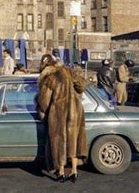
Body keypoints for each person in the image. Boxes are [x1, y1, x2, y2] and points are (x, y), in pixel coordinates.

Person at [37, 54, 87, 183]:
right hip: (75, 110)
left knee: (59, 140)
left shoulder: (49, 77)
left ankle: (61, 171)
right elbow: (81, 85)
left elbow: (44, 101)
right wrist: (74, 94)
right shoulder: (68, 71)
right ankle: (74, 171)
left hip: (59, 112)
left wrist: (41, 111)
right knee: (74, 140)